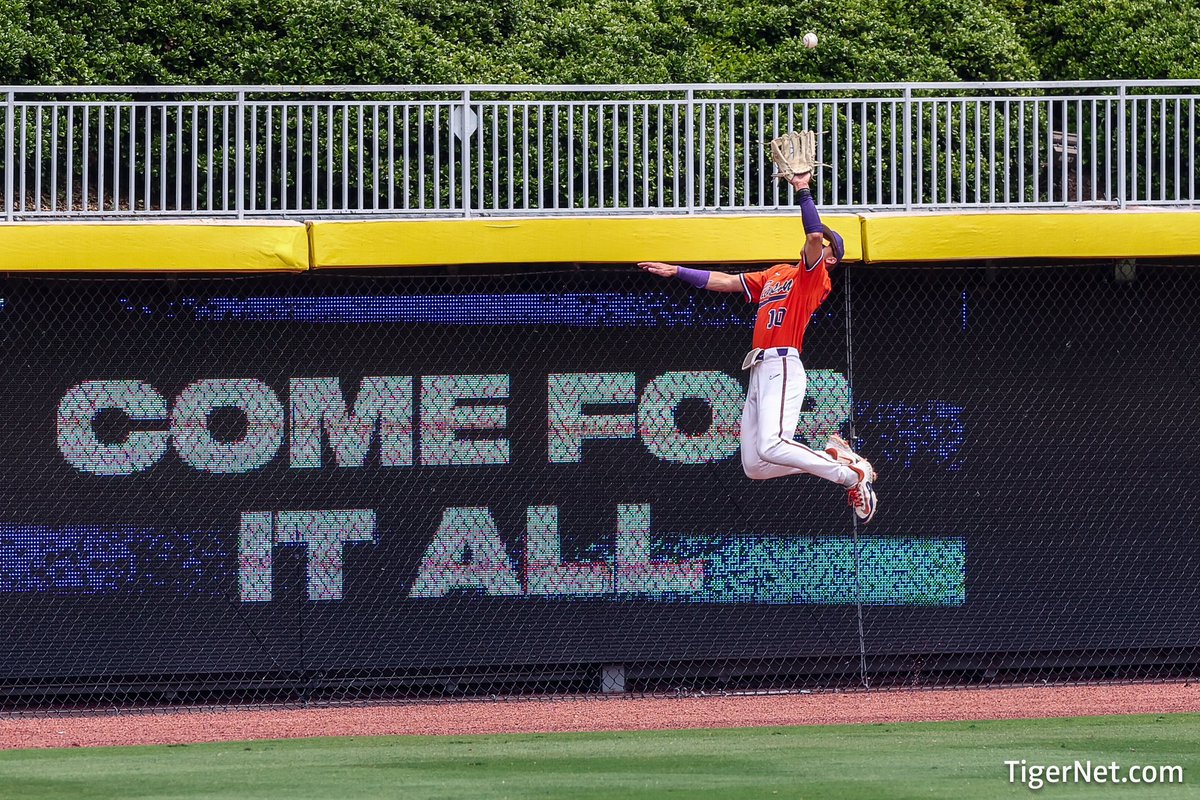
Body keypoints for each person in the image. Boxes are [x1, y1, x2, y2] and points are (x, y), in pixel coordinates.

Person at [638, 170, 877, 523]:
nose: (818, 242)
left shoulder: (815, 278)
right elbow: (726, 281)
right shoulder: (778, 273)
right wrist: (678, 271)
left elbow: (812, 232)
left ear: (829, 258)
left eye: (825, 244)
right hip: (759, 369)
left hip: (783, 364)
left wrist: (802, 188)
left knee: (772, 445)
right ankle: (839, 463)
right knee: (756, 465)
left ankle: (849, 474)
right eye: (821, 240)